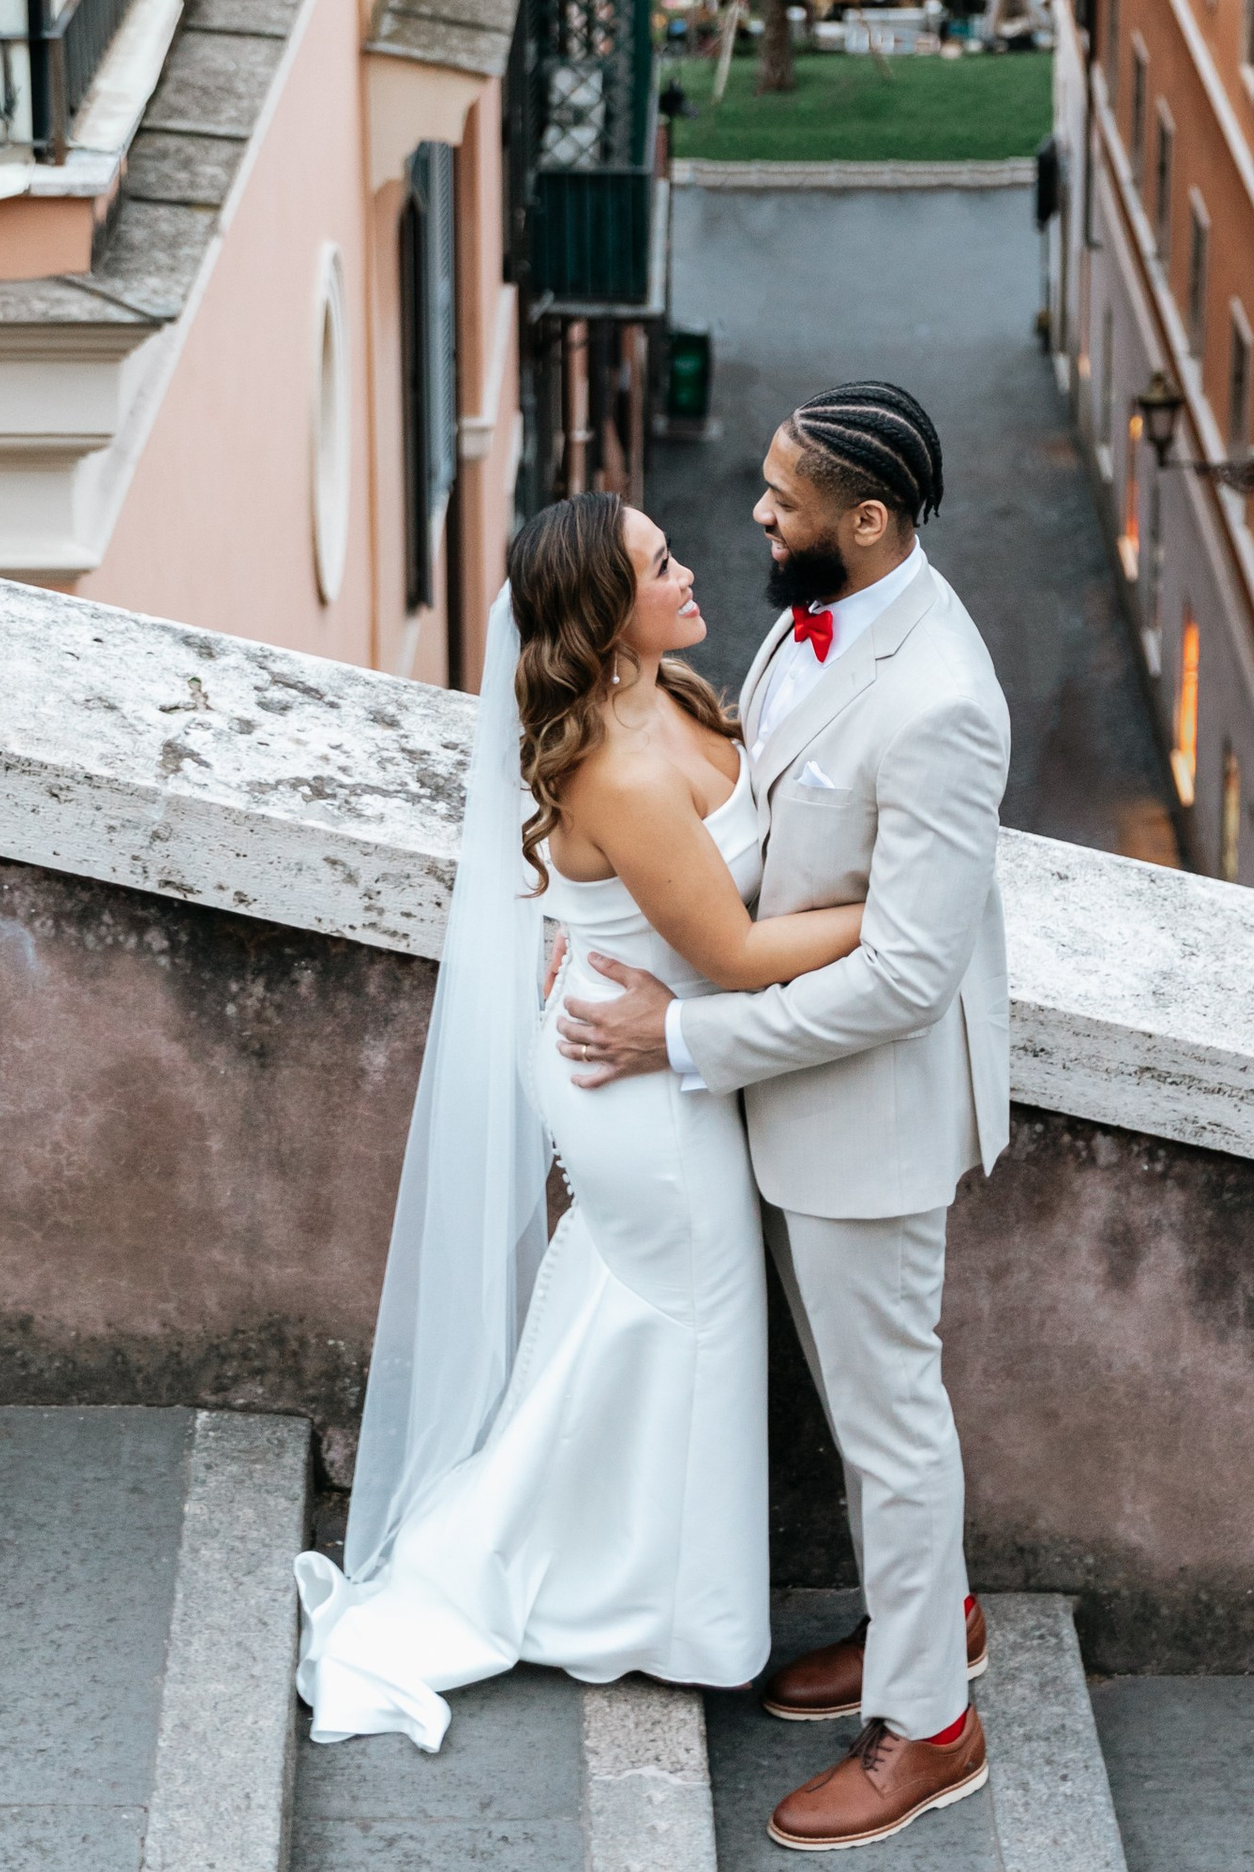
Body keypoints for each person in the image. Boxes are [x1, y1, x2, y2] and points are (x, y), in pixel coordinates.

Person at [293, 492, 866, 1751]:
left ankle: (613, 1580)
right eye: (660, 565)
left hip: (645, 1049)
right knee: (694, 1332)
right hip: (642, 1091)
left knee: (643, 1327)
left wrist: (575, 933)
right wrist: (901, 922)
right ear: (608, 618)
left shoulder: (669, 696)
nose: (689, 569)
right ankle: (660, 1613)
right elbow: (737, 946)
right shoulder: (619, 764)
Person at [558, 382, 1012, 1855]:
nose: (753, 516)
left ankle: (932, 1728)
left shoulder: (942, 700)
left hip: (866, 1123)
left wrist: (682, 1035)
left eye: (783, 500)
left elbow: (902, 978)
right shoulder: (810, 612)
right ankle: (923, 1623)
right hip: (794, 1108)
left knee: (889, 1425)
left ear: (865, 524)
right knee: (861, 1404)